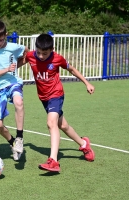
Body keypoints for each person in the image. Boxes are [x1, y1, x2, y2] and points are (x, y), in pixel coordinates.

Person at [18, 33, 95, 172]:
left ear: (52, 49)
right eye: (39, 52)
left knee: (51, 123)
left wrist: (87, 83)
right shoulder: (30, 56)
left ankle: (53, 161)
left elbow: (72, 69)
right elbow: (18, 64)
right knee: (63, 126)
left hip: (56, 95)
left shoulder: (57, 58)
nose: (41, 56)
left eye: (45, 53)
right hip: (43, 98)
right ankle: (84, 144)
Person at [0, 20, 28, 161]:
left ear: (6, 35)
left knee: (18, 101)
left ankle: (19, 137)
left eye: (0, 40)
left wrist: (17, 67)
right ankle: (13, 142)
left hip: (13, 83)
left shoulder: (14, 47)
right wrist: (8, 69)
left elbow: (26, 53)